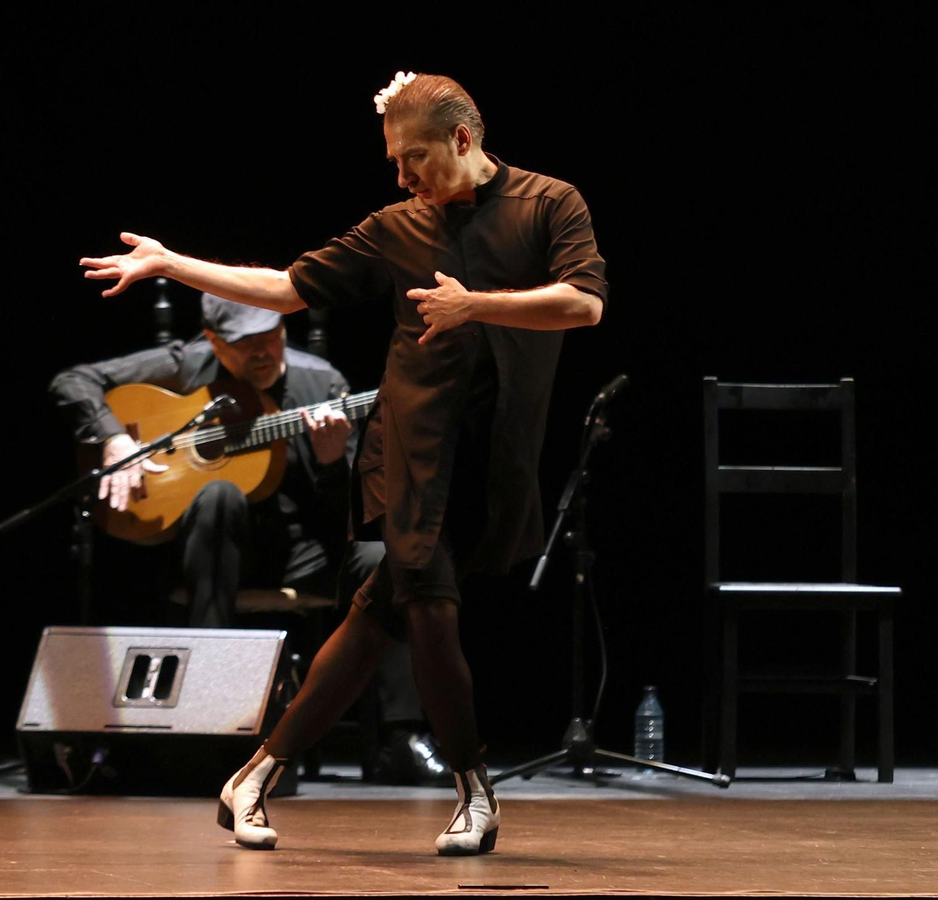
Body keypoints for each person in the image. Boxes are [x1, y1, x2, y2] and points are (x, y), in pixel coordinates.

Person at [81, 72, 607, 854]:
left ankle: (254, 774)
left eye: (415, 157)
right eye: (394, 160)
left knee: (378, 615)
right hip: (407, 448)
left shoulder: (549, 203)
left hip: (493, 458)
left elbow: (584, 304)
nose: (401, 176)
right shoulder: (396, 226)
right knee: (428, 596)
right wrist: (171, 263)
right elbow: (286, 288)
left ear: (464, 141)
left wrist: (476, 305)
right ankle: (475, 788)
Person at [51, 294, 450, 785]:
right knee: (218, 497)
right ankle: (208, 722)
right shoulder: (184, 365)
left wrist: (330, 465)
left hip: (301, 550)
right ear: (214, 341)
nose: (264, 353)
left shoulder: (321, 383)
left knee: (386, 556)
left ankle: (401, 737)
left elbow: (356, 512)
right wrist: (115, 437)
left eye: (273, 338)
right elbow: (73, 380)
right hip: (207, 553)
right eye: (246, 344)